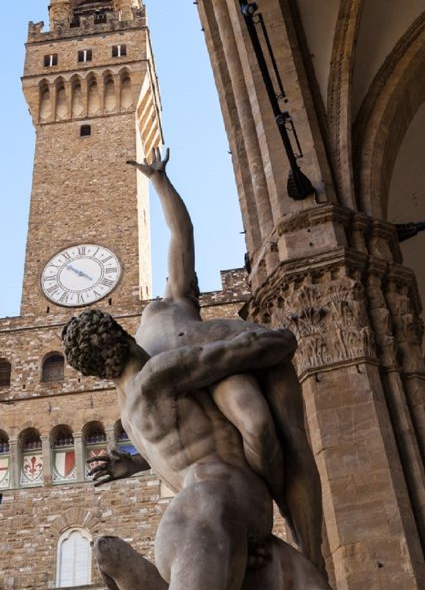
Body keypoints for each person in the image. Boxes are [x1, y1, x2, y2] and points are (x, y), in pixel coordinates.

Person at [104, 147, 323, 571]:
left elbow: (180, 232)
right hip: (194, 384)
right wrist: (133, 461)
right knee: (255, 428)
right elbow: (173, 431)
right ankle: (261, 528)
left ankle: (289, 529)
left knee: (259, 425)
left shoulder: (176, 302)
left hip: (220, 364)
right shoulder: (143, 344)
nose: (185, 275)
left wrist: (159, 183)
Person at [62, 310, 328, 590]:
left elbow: (181, 449)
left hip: (225, 530)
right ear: (124, 335)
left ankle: (122, 565)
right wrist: (281, 335)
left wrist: (136, 463)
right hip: (207, 513)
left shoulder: (127, 414)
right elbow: (255, 348)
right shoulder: (157, 375)